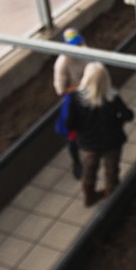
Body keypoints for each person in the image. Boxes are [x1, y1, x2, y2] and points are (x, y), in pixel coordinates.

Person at [65, 61, 134, 207]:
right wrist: (118, 121)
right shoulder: (112, 96)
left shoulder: (76, 99)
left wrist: (82, 130)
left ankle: (89, 197)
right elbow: (128, 115)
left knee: (89, 171)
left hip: (88, 143)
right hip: (112, 141)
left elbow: (69, 124)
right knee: (112, 172)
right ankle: (112, 200)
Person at [52, 27, 87, 179]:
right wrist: (81, 86)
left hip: (87, 94)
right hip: (73, 100)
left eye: (79, 44)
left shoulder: (86, 52)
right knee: (72, 133)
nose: (78, 48)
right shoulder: (62, 63)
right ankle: (76, 162)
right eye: (74, 46)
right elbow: (60, 90)